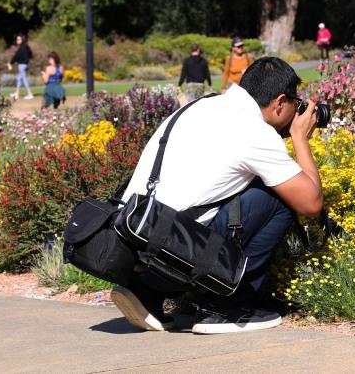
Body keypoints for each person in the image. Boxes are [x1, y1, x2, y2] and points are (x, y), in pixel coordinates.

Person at [112, 57, 322, 334]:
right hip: (174, 255)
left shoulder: (200, 105)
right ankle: (228, 306)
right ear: (280, 102)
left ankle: (146, 293)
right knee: (279, 198)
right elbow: (311, 203)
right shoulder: (254, 130)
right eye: (296, 103)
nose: (298, 111)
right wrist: (299, 138)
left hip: (132, 241)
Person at [8, 33, 34, 100]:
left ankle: (30, 94)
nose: (17, 40)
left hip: (22, 65)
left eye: (19, 39)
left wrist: (11, 63)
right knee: (19, 79)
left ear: (22, 40)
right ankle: (17, 94)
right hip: (25, 65)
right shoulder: (26, 47)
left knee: (24, 79)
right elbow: (30, 55)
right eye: (17, 39)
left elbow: (16, 56)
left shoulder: (22, 48)